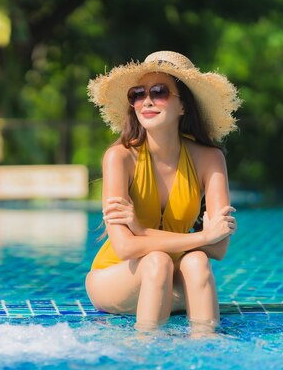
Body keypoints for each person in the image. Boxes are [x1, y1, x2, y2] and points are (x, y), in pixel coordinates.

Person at [85, 51, 241, 333]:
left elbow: (219, 248)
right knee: (157, 262)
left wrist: (141, 232)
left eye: (159, 92)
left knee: (197, 261)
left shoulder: (209, 159)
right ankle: (147, 354)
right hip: (117, 277)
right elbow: (124, 247)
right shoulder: (120, 158)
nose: (146, 101)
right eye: (137, 94)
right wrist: (203, 236)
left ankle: (208, 350)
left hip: (175, 280)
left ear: (183, 106)